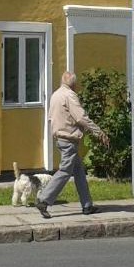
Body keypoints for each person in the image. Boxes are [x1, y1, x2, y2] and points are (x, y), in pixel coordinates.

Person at [36, 70, 109, 218]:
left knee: (79, 173)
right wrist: (99, 132)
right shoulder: (70, 95)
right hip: (69, 139)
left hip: (61, 138)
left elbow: (51, 117)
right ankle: (43, 200)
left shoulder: (55, 95)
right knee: (64, 171)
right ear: (74, 84)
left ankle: (87, 205)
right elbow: (81, 117)